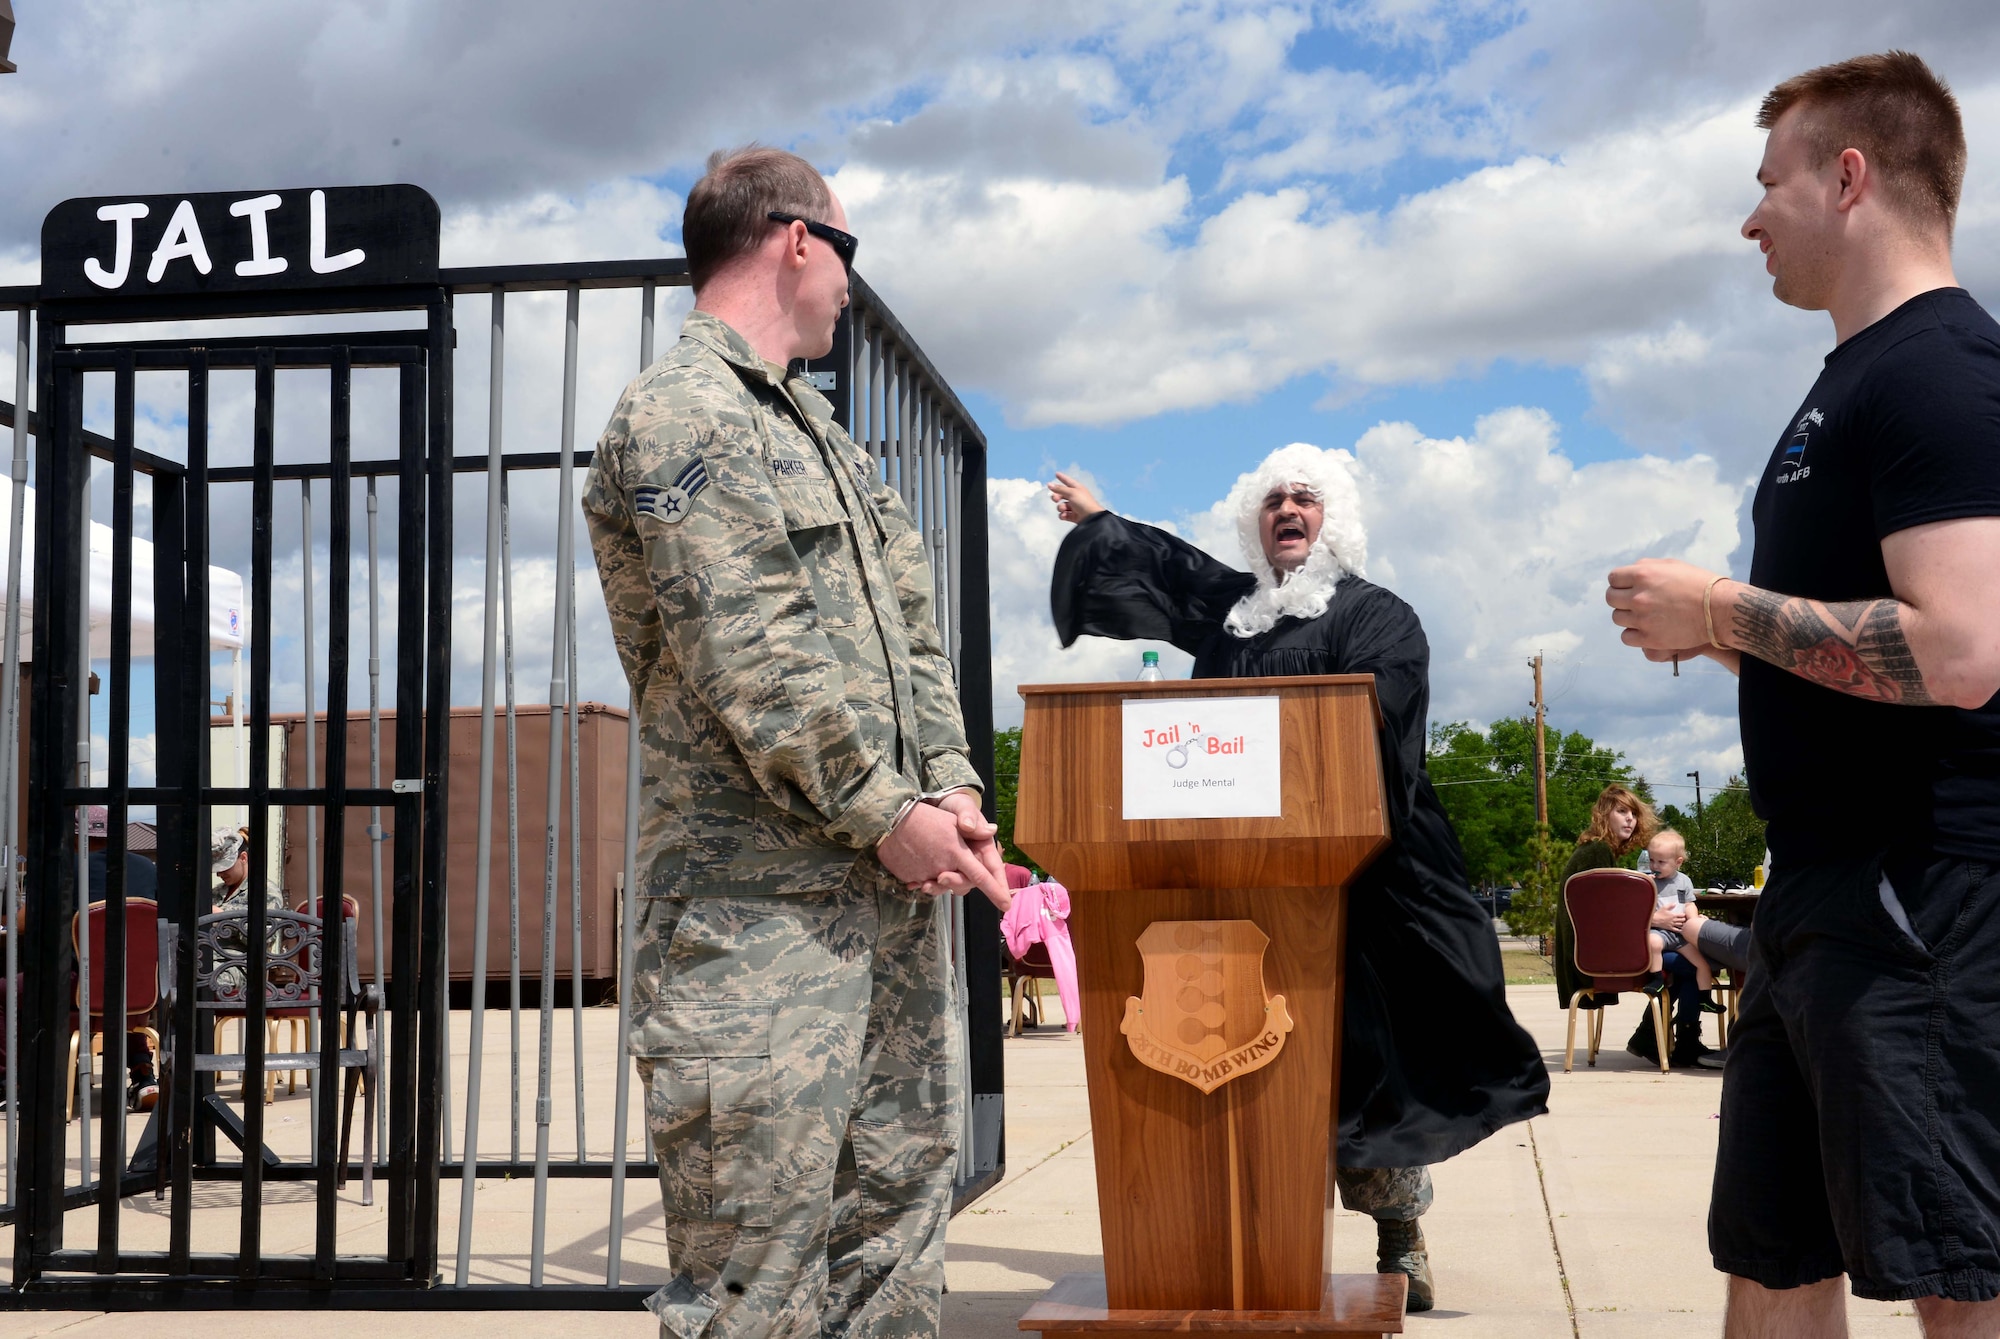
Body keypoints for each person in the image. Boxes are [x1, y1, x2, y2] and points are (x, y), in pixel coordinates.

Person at [582, 144, 1010, 1339]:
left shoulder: (828, 440)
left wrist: (953, 786)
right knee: (756, 1282)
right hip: (751, 928)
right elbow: (750, 652)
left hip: (877, 914)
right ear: (795, 239)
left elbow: (915, 643)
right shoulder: (681, 412)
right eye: (845, 255)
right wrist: (887, 809)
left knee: (895, 1235)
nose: (847, 292)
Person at [1606, 52, 2000, 1332]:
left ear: (1847, 177)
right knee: (1773, 1258)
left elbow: (1960, 650)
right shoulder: (1849, 380)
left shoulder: (1939, 371)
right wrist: (1726, 642)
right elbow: (1869, 643)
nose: (1748, 217)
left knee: (1953, 1269)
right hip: (1815, 892)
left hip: (1918, 890)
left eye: (1766, 181)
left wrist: (1721, 609)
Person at [1047, 445, 1551, 1313]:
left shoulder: (1377, 616)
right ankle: (1242, 1240)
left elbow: (1377, 722)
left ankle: (1399, 1230)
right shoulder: (1232, 616)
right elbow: (1172, 570)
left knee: (1364, 1071)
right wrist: (1102, 523)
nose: (1288, 509)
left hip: (1362, 886)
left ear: (1334, 519)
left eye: (1306, 498)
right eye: (1275, 497)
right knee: (1247, 1063)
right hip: (1230, 882)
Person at [1553, 785, 1711, 1067]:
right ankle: (1679, 1041)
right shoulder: (1597, 852)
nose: (1630, 819)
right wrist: (1656, 920)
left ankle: (1650, 1036)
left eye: (1634, 814)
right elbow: (1603, 914)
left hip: (1587, 953)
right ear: (1604, 814)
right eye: (1622, 811)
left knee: (1671, 966)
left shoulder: (1595, 849)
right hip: (1598, 957)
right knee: (1687, 967)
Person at [1643, 829, 1713, 991]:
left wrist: (1693, 921)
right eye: (1651, 860)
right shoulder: (1648, 882)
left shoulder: (1684, 881)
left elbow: (1688, 904)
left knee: (1702, 963)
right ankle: (1657, 979)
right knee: (1653, 942)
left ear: (1678, 862)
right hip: (1659, 932)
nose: (1654, 866)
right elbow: (1639, 909)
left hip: (1680, 934)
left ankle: (1705, 996)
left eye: (1661, 862)